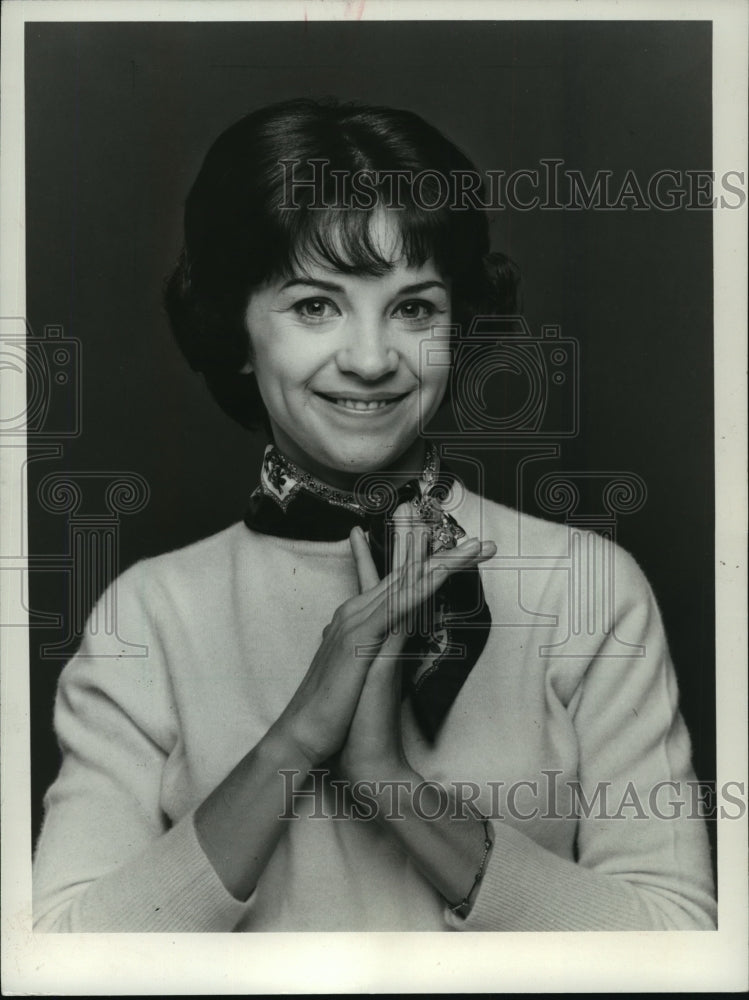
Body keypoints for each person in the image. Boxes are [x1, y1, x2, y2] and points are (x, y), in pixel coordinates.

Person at [32, 98, 716, 933]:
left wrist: (390, 783)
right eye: (314, 305)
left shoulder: (586, 586)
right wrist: (292, 744)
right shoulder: (149, 613)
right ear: (235, 332)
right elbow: (59, 956)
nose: (370, 360)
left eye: (413, 307)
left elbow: (677, 941)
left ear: (458, 322)